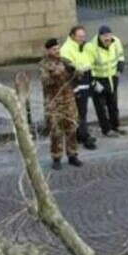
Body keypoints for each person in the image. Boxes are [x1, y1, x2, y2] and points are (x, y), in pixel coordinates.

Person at [40, 38, 82, 169]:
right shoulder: (44, 64)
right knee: (56, 131)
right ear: (48, 51)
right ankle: (56, 157)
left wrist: (75, 70)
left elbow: (78, 76)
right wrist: (60, 72)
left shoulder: (65, 61)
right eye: (54, 49)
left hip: (69, 100)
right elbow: (46, 82)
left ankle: (72, 155)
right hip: (54, 102)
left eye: (58, 48)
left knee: (72, 128)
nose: (57, 51)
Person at [61, 25, 98, 150]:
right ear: (72, 36)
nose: (83, 39)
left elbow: (87, 64)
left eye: (84, 36)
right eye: (80, 36)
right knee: (79, 113)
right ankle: (83, 137)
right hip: (77, 86)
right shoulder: (67, 49)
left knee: (82, 112)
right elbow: (70, 71)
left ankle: (81, 135)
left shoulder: (81, 47)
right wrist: (75, 89)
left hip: (84, 84)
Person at [87, 25, 126, 137]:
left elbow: (120, 56)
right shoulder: (91, 47)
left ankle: (116, 126)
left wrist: (120, 69)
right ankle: (106, 130)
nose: (107, 38)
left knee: (113, 104)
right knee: (101, 107)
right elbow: (89, 67)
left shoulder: (116, 41)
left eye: (109, 35)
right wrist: (93, 83)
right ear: (99, 37)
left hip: (112, 78)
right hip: (98, 80)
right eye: (104, 36)